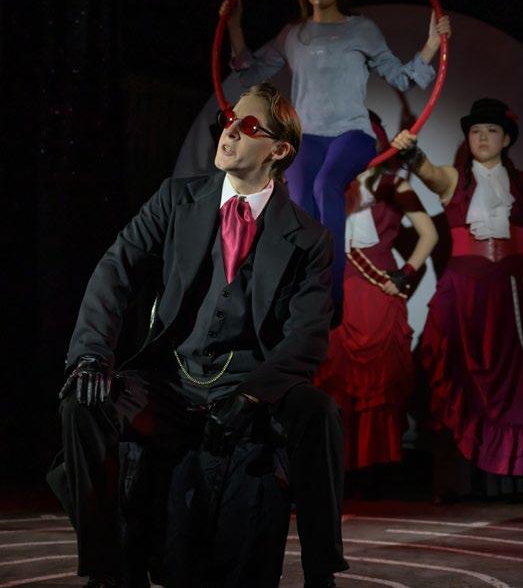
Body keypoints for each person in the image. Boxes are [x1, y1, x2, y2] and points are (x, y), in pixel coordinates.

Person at [53, 83, 346, 588]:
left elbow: (308, 337)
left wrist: (253, 395)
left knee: (318, 412)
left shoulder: (308, 238)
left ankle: (322, 573)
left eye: (248, 126)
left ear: (279, 150)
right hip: (171, 381)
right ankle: (107, 571)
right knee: (82, 404)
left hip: (250, 386)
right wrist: (92, 354)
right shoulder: (176, 198)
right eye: (230, 120)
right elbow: (114, 270)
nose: (229, 131)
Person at [220, 0, 450, 315]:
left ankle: (332, 297)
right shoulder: (292, 35)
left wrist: (433, 44)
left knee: (326, 184)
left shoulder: (362, 30)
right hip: (307, 138)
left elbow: (402, 78)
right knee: (300, 205)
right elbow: (250, 75)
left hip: (351, 135)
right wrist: (235, 26)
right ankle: (299, 297)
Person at [392, 98, 523, 502]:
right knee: (457, 378)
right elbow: (430, 173)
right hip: (465, 294)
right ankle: (456, 482)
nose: (482, 138)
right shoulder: (455, 177)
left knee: (522, 388)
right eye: (475, 131)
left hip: (514, 293)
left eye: (491, 131)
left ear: (506, 139)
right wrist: (412, 154)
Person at [314, 112, 437, 494]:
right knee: (333, 382)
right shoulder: (326, 185)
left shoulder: (394, 185)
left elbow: (429, 234)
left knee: (379, 389)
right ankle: (333, 470)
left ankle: (374, 475)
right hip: (337, 296)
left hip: (378, 298)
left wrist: (405, 273)